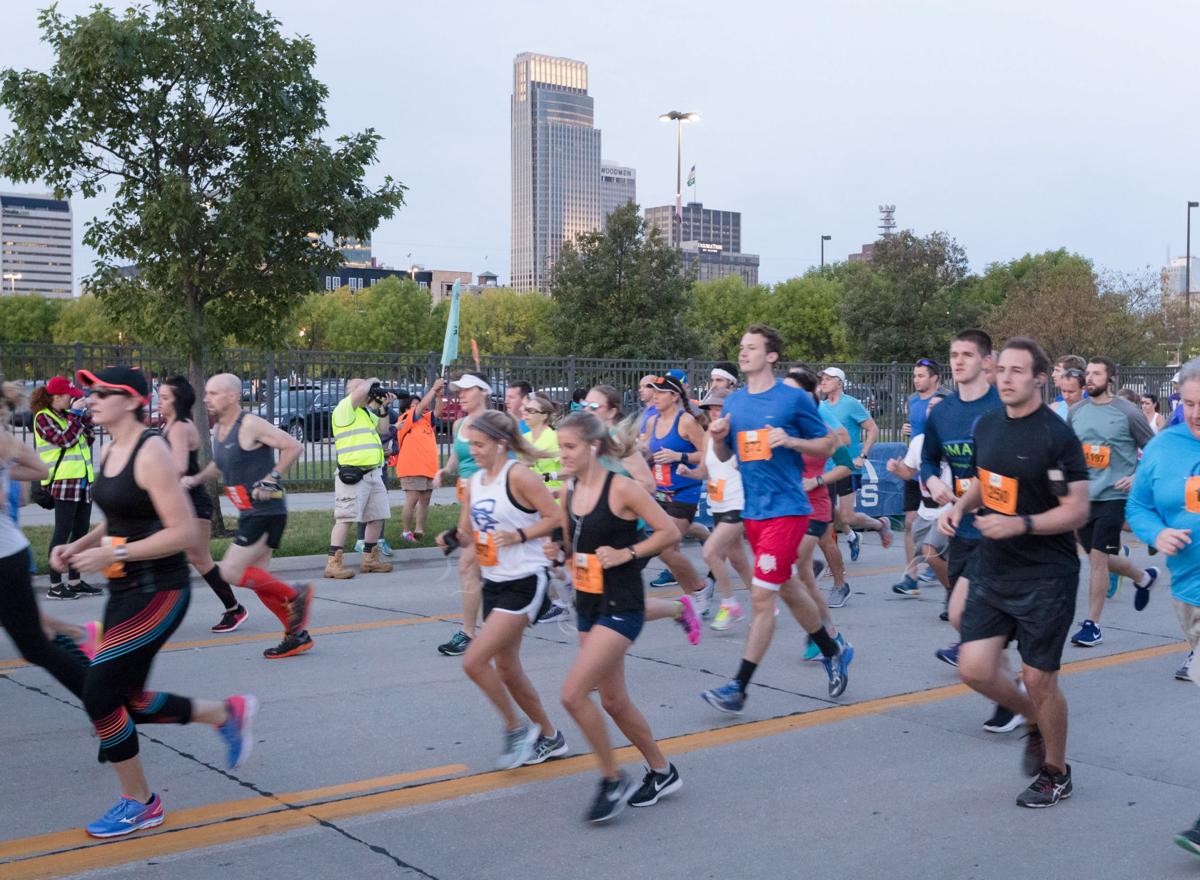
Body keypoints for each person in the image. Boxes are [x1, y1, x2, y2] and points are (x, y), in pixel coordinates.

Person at [58, 365, 255, 838]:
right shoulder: (110, 448)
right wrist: (81, 547)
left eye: (103, 392)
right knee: (130, 700)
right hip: (125, 589)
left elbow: (185, 531)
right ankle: (224, 714)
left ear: (131, 400)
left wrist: (115, 552)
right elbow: (123, 516)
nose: (92, 398)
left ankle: (141, 802)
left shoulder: (152, 452)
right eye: (90, 392)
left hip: (161, 591)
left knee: (100, 695)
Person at [938, 339, 1090, 808]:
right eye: (1001, 369)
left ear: (1039, 378)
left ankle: (1057, 772)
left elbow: (1078, 510)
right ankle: (1032, 721)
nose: (1005, 378)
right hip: (995, 565)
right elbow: (989, 482)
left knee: (1039, 678)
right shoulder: (987, 425)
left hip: (1047, 574)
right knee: (973, 667)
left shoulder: (1056, 436)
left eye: (1017, 371)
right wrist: (960, 506)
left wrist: (1020, 523)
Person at [701, 325, 852, 715]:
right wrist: (718, 436)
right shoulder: (734, 403)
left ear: (771, 356)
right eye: (741, 346)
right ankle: (834, 649)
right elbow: (722, 457)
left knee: (762, 596)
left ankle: (739, 687)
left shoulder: (792, 400)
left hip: (787, 511)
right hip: (754, 512)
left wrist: (792, 441)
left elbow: (827, 443)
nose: (743, 352)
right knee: (786, 587)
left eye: (752, 347)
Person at [551, 411, 683, 822]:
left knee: (573, 694)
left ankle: (612, 779)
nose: (563, 455)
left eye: (570, 447)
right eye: (561, 448)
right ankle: (663, 770)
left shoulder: (623, 489)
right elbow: (566, 538)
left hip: (622, 605)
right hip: (588, 603)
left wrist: (626, 554)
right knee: (613, 700)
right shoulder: (570, 490)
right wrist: (557, 554)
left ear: (592, 447)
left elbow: (669, 533)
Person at [440, 410, 568, 769]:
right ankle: (550, 737)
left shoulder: (521, 476)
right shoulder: (476, 481)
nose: (474, 451)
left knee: (474, 661)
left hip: (526, 579)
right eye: (471, 445)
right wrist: (451, 539)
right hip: (493, 581)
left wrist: (519, 536)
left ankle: (516, 729)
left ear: (500, 444)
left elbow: (555, 517)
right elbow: (467, 531)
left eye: (480, 445)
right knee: (508, 668)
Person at [1126, 357, 1200, 855]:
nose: (1196, 413)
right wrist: (1158, 533)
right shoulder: (1164, 447)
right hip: (1190, 594)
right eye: (1190, 404)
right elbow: (1138, 507)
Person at [186, 373, 313, 659]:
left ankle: (296, 595)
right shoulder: (220, 429)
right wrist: (194, 480)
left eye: (213, 393)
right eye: (206, 393)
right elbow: (219, 464)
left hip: (266, 510)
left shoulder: (251, 424)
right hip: (248, 511)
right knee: (260, 582)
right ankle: (296, 636)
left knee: (231, 571)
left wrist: (272, 478)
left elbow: (294, 445)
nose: (207, 398)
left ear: (232, 396)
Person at [1068, 356, 1158, 647]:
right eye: (1088, 373)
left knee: (1096, 560)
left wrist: (1137, 477)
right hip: (1084, 495)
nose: (1090, 378)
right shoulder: (1077, 411)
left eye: (1096, 373)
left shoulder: (1128, 412)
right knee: (1099, 556)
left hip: (1114, 495)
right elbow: (1069, 451)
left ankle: (1092, 625)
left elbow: (1154, 451)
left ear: (1112, 378)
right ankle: (1143, 577)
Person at [158, 376, 245, 633]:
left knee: (199, 558)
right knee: (170, 556)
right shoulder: (172, 425)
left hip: (192, 502)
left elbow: (180, 467)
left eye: (165, 398)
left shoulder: (179, 427)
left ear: (178, 400)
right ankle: (161, 613)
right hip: (181, 502)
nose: (159, 402)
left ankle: (234, 609)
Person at [785, 367, 855, 662]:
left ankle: (826, 630)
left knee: (793, 572)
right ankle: (827, 632)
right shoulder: (781, 430)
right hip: (786, 508)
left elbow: (845, 464)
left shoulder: (822, 431)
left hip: (815, 506)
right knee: (801, 576)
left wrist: (815, 481)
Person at [675, 387, 755, 630]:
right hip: (718, 505)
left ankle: (729, 604)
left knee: (710, 552)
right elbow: (705, 471)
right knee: (739, 561)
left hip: (739, 503)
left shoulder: (740, 434)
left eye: (720, 408)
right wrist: (688, 472)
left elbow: (755, 465)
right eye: (711, 409)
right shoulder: (709, 435)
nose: (715, 413)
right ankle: (765, 604)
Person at [433, 371, 493, 656]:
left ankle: (470, 633)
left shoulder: (494, 424)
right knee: (484, 567)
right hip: (469, 502)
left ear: (483, 391)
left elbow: (516, 456)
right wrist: (445, 470)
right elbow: (457, 457)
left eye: (467, 390)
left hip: (492, 505)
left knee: (469, 566)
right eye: (459, 391)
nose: (461, 396)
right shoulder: (460, 423)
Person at [642, 374, 709, 611]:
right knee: (668, 552)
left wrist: (678, 456)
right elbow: (647, 452)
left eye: (660, 393)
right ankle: (695, 594)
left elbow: (706, 453)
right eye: (653, 392)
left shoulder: (686, 422)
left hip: (684, 492)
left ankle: (698, 592)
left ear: (674, 396)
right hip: (660, 493)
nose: (654, 396)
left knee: (665, 548)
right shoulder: (651, 422)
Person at [33, 376, 102, 599]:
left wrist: (86, 419)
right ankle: (55, 585)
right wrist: (76, 416)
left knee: (81, 532)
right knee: (62, 532)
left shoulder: (67, 416)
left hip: (82, 480)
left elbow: (87, 440)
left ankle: (74, 580)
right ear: (57, 396)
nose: (72, 400)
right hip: (63, 482)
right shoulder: (43, 418)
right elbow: (65, 441)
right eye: (69, 397)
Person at [324, 378, 395, 579]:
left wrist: (383, 408)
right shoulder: (344, 409)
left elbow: (382, 430)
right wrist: (371, 381)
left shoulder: (363, 413)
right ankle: (333, 563)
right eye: (367, 389)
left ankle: (370, 560)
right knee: (345, 518)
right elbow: (360, 391)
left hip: (373, 473)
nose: (371, 391)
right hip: (353, 475)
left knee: (376, 516)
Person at [817, 367, 891, 559]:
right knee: (827, 515)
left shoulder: (851, 404)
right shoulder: (821, 406)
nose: (823, 382)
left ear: (839, 382)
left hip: (847, 467)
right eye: (822, 379)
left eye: (828, 379)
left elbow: (873, 429)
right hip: (827, 468)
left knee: (846, 517)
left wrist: (863, 455)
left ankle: (879, 524)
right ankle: (839, 552)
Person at [887, 392, 953, 604]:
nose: (930, 410)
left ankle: (952, 596)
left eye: (937, 407)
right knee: (928, 550)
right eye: (929, 407)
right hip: (926, 510)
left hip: (949, 507)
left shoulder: (957, 438)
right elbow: (909, 473)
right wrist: (896, 469)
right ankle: (956, 591)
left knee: (931, 550)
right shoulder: (919, 441)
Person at [894, 358, 941, 595]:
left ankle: (937, 562)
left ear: (935, 378)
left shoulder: (945, 400)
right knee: (910, 523)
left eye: (921, 375)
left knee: (942, 523)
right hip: (915, 469)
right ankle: (911, 577)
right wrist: (906, 431)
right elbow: (915, 433)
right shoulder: (912, 401)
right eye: (915, 375)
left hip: (938, 471)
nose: (916, 379)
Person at [394, 379, 444, 542]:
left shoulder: (426, 420)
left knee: (425, 499)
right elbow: (422, 407)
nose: (418, 407)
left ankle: (419, 529)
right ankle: (406, 531)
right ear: (406, 408)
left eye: (418, 404)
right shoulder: (405, 419)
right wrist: (433, 388)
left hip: (428, 468)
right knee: (413, 498)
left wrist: (438, 396)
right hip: (411, 468)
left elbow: (437, 412)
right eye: (414, 405)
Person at [522, 392, 562, 488]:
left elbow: (569, 471)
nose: (526, 413)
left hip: (553, 496)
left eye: (531, 411)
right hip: (529, 496)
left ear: (544, 416)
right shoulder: (524, 438)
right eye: (526, 410)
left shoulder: (555, 438)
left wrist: (545, 477)